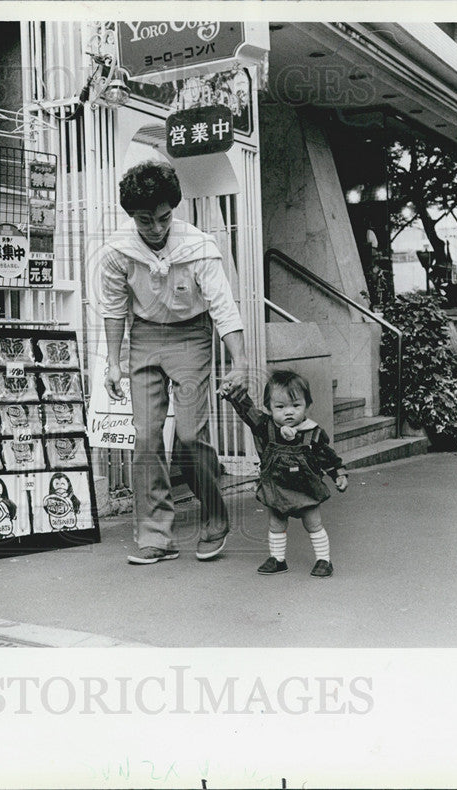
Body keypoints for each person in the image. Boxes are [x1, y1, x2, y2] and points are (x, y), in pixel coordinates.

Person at [97, 160, 248, 565]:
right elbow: (114, 308)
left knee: (188, 435)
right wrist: (114, 362)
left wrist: (241, 363)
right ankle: (155, 535)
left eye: (164, 218)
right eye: (145, 220)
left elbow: (223, 307)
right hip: (144, 335)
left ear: (173, 210)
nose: (156, 228)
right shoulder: (117, 251)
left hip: (190, 336)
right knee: (145, 436)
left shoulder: (198, 247)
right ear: (132, 215)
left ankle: (214, 519)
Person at [222, 370, 348, 577]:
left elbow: (327, 457)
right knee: (276, 523)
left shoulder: (312, 432)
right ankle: (278, 559)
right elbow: (248, 412)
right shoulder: (266, 427)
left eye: (296, 406)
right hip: (277, 486)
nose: (288, 412)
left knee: (313, 523)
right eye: (280, 407)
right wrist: (234, 394)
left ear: (307, 405)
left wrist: (339, 474)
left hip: (305, 487)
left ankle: (324, 560)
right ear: (269, 408)